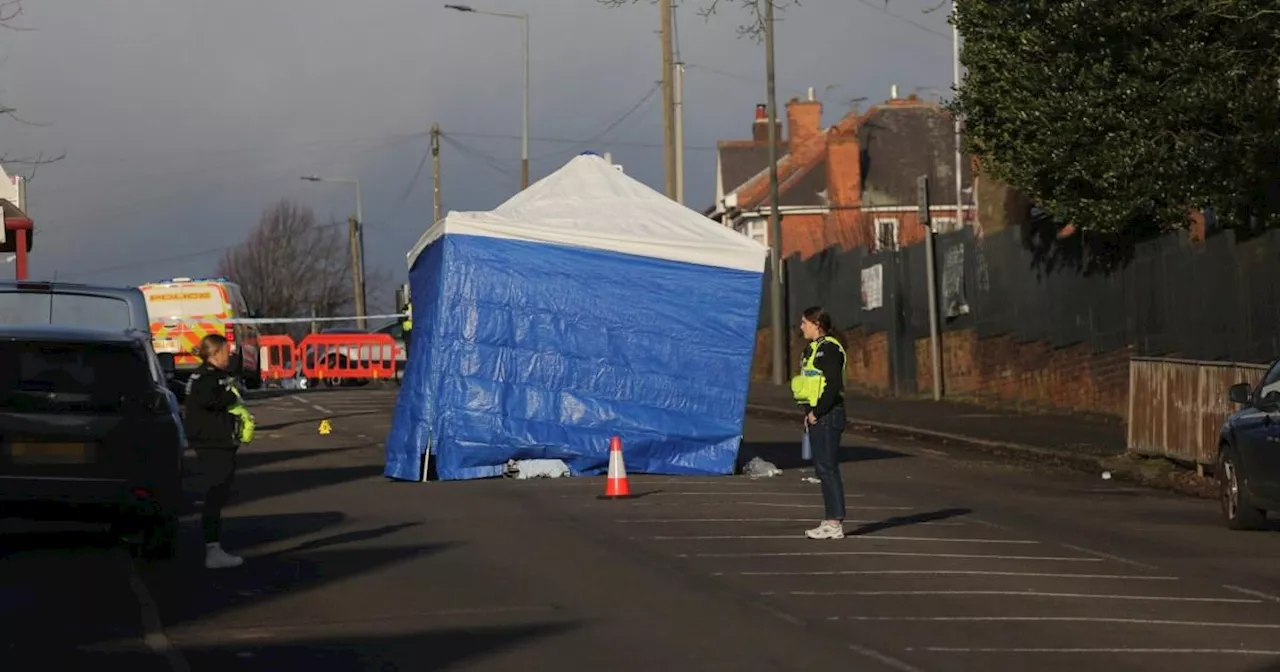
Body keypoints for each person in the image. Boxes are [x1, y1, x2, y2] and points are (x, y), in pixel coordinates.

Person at [184, 334, 256, 569]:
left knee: (221, 490)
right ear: (215, 354)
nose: (230, 354)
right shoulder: (206, 379)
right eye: (226, 351)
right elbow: (212, 401)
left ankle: (214, 547)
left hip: (217, 440)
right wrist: (230, 396)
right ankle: (212, 550)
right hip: (211, 442)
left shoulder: (214, 375)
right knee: (215, 493)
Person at [790, 306, 848, 540]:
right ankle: (830, 519)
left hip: (828, 415)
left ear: (817, 324)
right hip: (817, 415)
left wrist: (817, 412)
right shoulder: (811, 350)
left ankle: (834, 522)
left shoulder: (830, 350)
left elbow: (832, 386)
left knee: (827, 468)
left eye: (804, 322)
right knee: (823, 468)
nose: (801, 326)